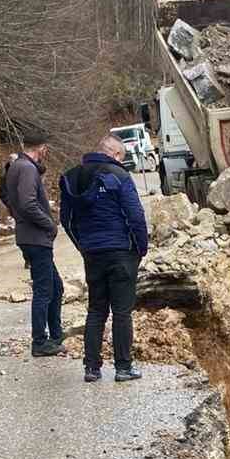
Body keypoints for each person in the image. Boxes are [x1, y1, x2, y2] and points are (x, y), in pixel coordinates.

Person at [60, 134, 149, 384]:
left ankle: (91, 368)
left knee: (96, 309)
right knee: (122, 311)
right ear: (116, 154)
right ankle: (123, 367)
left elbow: (66, 220)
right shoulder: (119, 175)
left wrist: (83, 246)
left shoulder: (72, 177)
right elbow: (135, 215)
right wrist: (141, 248)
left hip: (93, 253)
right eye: (122, 156)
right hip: (121, 251)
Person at [3, 130, 65, 358]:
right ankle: (40, 341)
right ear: (41, 148)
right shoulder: (27, 169)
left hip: (29, 236)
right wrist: (49, 225)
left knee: (56, 287)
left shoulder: (15, 166)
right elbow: (28, 203)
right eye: (46, 149)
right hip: (36, 238)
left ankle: (56, 335)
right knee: (44, 290)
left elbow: (9, 199)